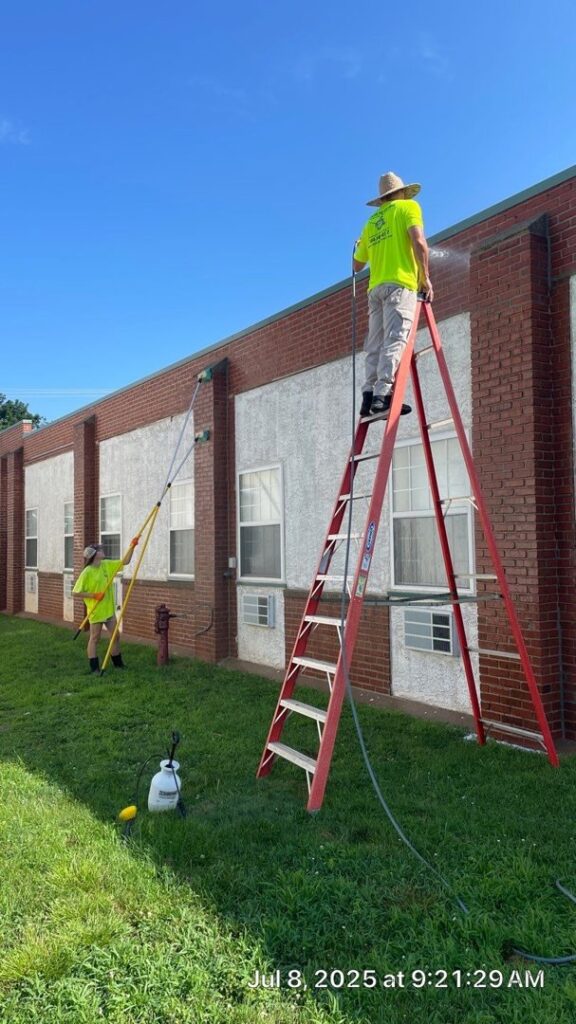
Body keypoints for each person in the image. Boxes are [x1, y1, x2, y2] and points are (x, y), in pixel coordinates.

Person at [353, 171, 434, 417]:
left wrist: (359, 246)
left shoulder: (370, 223)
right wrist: (425, 278)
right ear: (401, 192)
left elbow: (357, 266)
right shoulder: (408, 207)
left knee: (375, 343)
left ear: (383, 198)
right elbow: (419, 242)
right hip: (400, 284)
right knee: (395, 338)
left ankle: (368, 396)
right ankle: (382, 395)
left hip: (375, 289)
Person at [73, 540, 137, 673]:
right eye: (100, 550)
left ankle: (118, 664)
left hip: (108, 610)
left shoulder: (106, 565)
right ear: (95, 555)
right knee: (95, 638)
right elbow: (75, 592)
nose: (103, 551)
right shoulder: (87, 572)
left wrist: (132, 546)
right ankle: (94, 667)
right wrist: (94, 596)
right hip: (96, 611)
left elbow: (125, 561)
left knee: (115, 636)